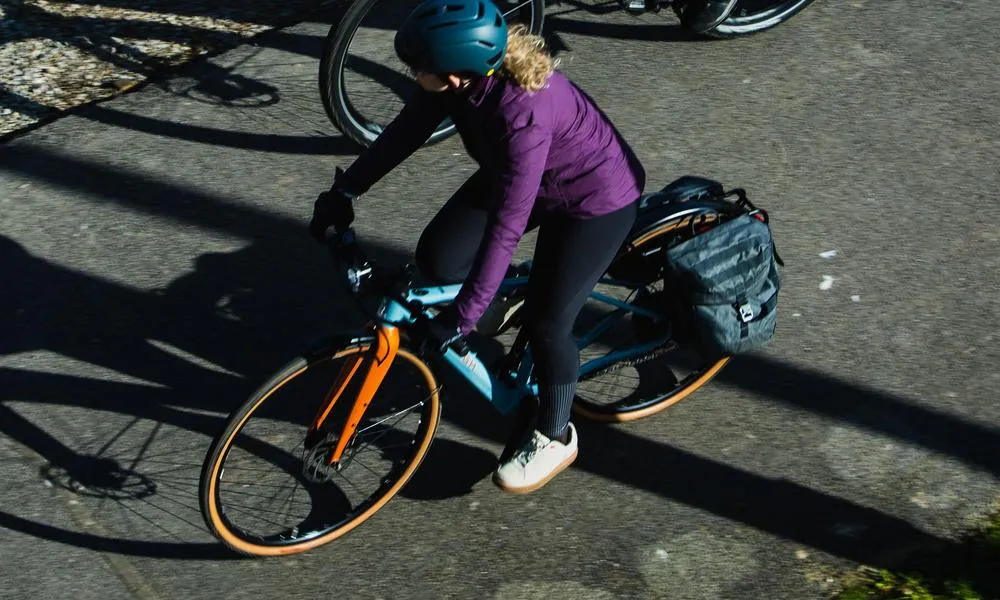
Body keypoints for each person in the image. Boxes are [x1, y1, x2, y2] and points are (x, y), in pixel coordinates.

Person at [309, 0, 646, 494]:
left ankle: (555, 435)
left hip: (593, 201)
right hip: (515, 176)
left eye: (417, 68)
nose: (410, 73)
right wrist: (345, 191)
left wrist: (463, 319)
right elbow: (405, 132)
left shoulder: (521, 115)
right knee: (438, 259)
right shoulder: (460, 78)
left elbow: (506, 227)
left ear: (454, 76)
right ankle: (507, 293)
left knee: (550, 327)